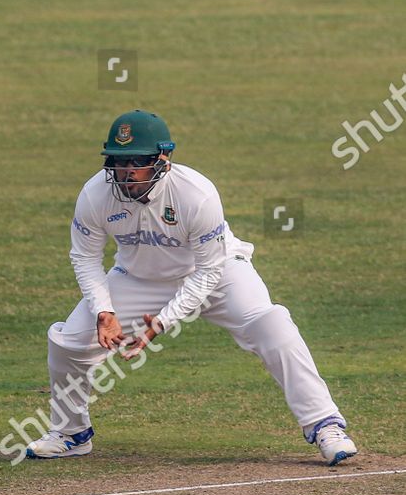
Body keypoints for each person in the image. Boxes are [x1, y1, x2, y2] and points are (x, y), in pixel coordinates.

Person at [21, 110, 357, 465]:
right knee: (68, 341)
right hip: (138, 278)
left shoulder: (196, 194)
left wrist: (163, 321)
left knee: (271, 324)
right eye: (118, 162)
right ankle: (72, 432)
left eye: (138, 161)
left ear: (163, 160)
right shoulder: (94, 194)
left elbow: (209, 271)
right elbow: (85, 258)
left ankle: (324, 424)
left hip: (218, 273)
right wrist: (105, 312)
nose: (127, 172)